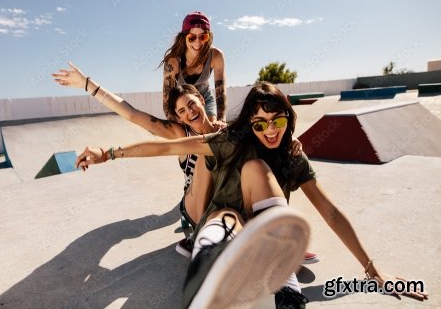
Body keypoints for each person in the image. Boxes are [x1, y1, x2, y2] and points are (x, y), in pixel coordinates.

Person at [75, 82, 428, 308]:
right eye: (260, 124)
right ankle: (211, 262)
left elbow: (330, 212)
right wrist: (108, 153)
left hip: (258, 226)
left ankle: (286, 290)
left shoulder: (292, 156)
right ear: (250, 123)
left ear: (289, 119)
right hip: (212, 217)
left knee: (256, 171)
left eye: (277, 122)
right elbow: (165, 146)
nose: (270, 131)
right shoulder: (230, 139)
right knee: (228, 179)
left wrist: (373, 271)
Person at [52, 62, 218, 257]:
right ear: (179, 118)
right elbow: (132, 114)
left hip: (220, 200)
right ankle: (198, 234)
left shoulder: (223, 130)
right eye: (182, 111)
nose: (190, 112)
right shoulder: (181, 133)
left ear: (200, 99)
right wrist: (87, 84)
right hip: (195, 204)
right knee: (207, 153)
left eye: (191, 104)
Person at [160, 11, 227, 125]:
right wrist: (173, 121)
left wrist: (221, 120)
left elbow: (221, 91)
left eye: (203, 37)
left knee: (211, 131)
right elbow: (167, 96)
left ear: (209, 37)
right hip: (182, 102)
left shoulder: (215, 55)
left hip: (205, 98)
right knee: (186, 136)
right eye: (192, 37)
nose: (197, 42)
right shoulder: (173, 61)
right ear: (184, 37)